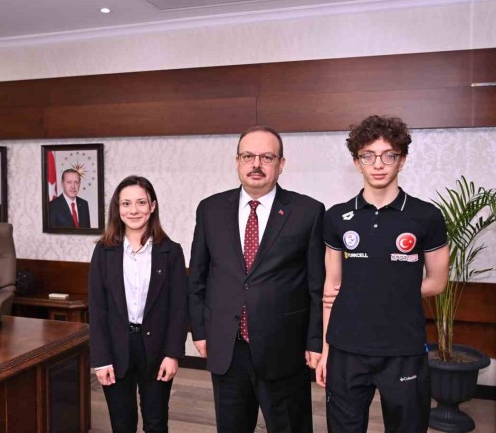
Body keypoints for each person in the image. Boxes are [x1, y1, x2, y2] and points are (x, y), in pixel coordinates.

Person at [316, 115, 450, 433]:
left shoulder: (426, 216)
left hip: (404, 349)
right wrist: (325, 351)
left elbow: (437, 282)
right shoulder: (337, 217)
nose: (378, 164)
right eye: (368, 156)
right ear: (357, 162)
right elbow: (331, 288)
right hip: (346, 349)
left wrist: (388, 289)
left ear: (402, 161)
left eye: (388, 155)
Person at [188, 126, 325, 433]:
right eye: (248, 156)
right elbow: (197, 276)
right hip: (227, 345)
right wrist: (199, 330)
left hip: (285, 347)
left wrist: (315, 341)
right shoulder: (210, 209)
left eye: (267, 157)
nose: (256, 164)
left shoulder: (308, 212)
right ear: (237, 161)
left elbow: (317, 286)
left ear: (281, 164)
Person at [88, 175, 187, 433]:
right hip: (116, 349)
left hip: (156, 350)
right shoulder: (103, 251)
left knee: (156, 423)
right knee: (122, 424)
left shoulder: (171, 251)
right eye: (126, 203)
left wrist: (173, 354)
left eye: (141, 202)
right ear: (118, 208)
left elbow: (178, 309)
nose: (134, 210)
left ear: (152, 206)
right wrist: (101, 359)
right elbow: (97, 310)